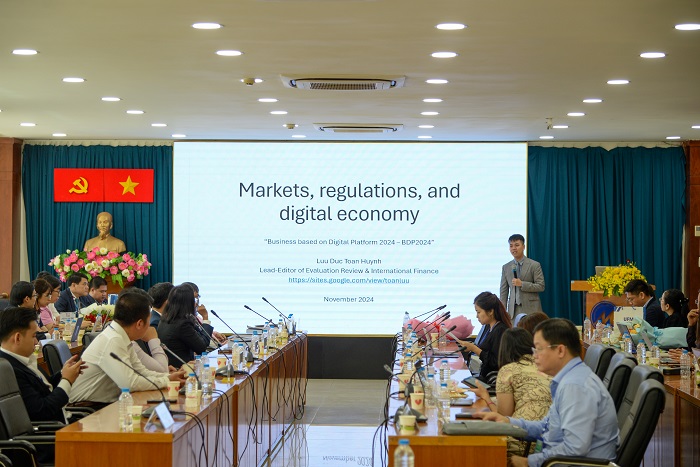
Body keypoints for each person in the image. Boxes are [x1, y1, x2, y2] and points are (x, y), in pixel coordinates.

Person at [474, 318, 619, 467]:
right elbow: (546, 427)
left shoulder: (575, 387)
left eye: (539, 349)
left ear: (560, 350)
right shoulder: (567, 380)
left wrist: (529, 462)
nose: (534, 355)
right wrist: (508, 422)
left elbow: (574, 449)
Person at [69, 288, 185, 407]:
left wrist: (170, 377)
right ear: (139, 324)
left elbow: (141, 372)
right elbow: (129, 383)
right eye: (148, 322)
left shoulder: (121, 336)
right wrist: (167, 380)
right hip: (86, 409)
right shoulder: (113, 340)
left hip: (105, 404)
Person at [0, 307, 86, 464]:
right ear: (17, 338)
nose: (36, 342)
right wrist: (66, 381)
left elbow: (44, 388)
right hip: (43, 444)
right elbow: (43, 410)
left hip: (57, 429)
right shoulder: (9, 369)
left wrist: (62, 373)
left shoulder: (21, 358)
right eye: (34, 336)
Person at [470, 327, 552, 456]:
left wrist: (486, 397)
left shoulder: (508, 370)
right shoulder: (546, 366)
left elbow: (503, 417)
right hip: (548, 443)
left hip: (521, 442)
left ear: (504, 349)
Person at [455, 292, 512, 383]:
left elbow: (495, 362)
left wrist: (474, 348)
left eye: (479, 312)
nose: (476, 316)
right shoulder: (487, 327)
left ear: (490, 311)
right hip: (482, 374)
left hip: (490, 380)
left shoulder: (500, 330)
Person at [158, 285, 216, 367]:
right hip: (181, 370)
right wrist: (205, 318)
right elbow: (201, 347)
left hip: (173, 367)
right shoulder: (182, 324)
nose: (196, 304)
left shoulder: (165, 319)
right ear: (188, 303)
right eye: (194, 300)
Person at [499, 234, 545, 317]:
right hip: (513, 311)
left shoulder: (534, 265)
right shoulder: (506, 267)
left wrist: (522, 284)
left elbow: (541, 286)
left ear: (523, 247)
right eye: (511, 246)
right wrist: (502, 311)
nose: (513, 248)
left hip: (531, 309)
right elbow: (503, 291)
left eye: (517, 245)